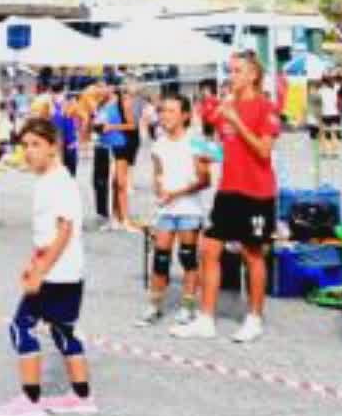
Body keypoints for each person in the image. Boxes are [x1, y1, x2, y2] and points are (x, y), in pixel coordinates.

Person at [0, 117, 95, 416]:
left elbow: (64, 232)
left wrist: (41, 270)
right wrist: (33, 262)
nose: (29, 152)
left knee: (21, 326)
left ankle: (30, 399)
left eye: (36, 145)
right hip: (63, 269)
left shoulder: (59, 182)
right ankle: (81, 395)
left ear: (54, 147)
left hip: (58, 272)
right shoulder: (49, 180)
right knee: (63, 330)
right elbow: (48, 233)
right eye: (25, 146)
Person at [172, 50, 279, 344]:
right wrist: (205, 155)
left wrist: (237, 120)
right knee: (209, 250)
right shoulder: (225, 106)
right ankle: (205, 319)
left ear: (252, 75)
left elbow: (263, 150)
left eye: (236, 71)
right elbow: (220, 145)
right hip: (228, 190)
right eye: (229, 71)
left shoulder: (265, 107)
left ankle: (254, 318)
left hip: (257, 192)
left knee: (252, 254)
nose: (231, 77)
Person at [140, 95, 212, 328]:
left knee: (188, 258)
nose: (164, 116)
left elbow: (205, 180)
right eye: (162, 111)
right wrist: (158, 188)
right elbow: (158, 173)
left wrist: (178, 193)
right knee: (160, 259)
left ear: (185, 115)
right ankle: (155, 304)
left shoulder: (197, 141)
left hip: (190, 209)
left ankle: (188, 306)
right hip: (166, 209)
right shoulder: (158, 144)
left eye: (171, 111)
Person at [106, 83, 147, 232]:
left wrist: (111, 127)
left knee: (121, 183)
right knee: (117, 182)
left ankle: (125, 219)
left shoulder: (126, 103)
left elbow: (132, 126)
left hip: (126, 143)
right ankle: (118, 217)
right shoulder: (111, 105)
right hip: (120, 142)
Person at [91, 85, 122, 227]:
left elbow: (98, 126)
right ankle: (103, 212)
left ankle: (110, 216)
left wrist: (95, 123)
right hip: (101, 146)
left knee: (107, 181)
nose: (102, 91)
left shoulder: (114, 108)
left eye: (106, 89)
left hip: (110, 148)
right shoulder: (104, 107)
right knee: (98, 181)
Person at [317, 77, 342, 158]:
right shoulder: (333, 91)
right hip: (334, 114)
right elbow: (336, 103)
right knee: (334, 134)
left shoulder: (320, 91)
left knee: (323, 134)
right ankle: (335, 152)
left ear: (323, 83)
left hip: (324, 114)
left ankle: (325, 152)